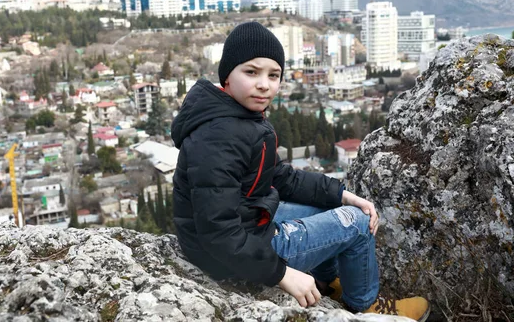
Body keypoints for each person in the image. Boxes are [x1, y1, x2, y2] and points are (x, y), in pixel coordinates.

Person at [171, 21, 430, 321]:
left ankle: (326, 282)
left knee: (328, 204)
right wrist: (283, 274)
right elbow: (218, 232)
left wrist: (341, 195)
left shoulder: (235, 117)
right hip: (230, 256)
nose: (264, 84)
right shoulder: (220, 135)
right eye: (251, 72)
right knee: (357, 223)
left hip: (244, 229)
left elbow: (279, 177)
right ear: (226, 76)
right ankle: (363, 304)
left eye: (274, 75)